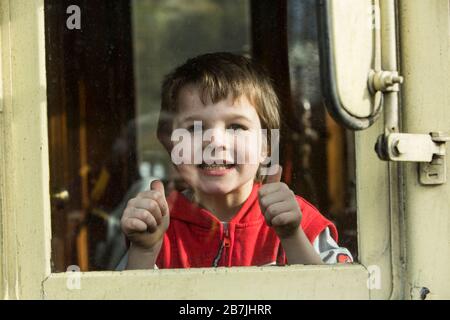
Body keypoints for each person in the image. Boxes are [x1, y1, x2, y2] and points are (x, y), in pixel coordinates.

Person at [120, 52, 353, 270]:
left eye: (235, 126)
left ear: (266, 144)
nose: (215, 141)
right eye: (194, 128)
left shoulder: (299, 220)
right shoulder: (158, 224)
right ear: (171, 143)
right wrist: (145, 250)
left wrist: (292, 236)